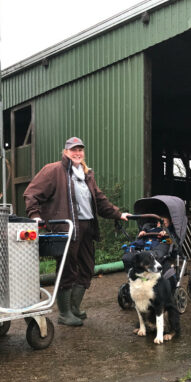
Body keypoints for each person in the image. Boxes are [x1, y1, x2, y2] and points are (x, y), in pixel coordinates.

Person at [24, 136, 131, 326]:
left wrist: (117, 214)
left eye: (80, 150)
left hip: (87, 227)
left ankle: (74, 307)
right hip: (67, 228)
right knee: (67, 269)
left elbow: (99, 200)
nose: (77, 153)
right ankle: (64, 313)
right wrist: (35, 216)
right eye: (73, 150)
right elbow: (32, 193)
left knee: (88, 267)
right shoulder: (54, 170)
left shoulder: (87, 174)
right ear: (65, 152)